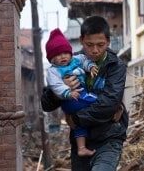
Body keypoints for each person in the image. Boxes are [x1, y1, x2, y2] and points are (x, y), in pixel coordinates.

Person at [41, 16, 128, 171]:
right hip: (81, 141)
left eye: (100, 45)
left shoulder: (116, 66)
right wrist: (59, 90)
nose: (95, 50)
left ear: (108, 42)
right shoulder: (67, 61)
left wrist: (76, 118)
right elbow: (46, 104)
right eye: (89, 45)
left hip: (109, 136)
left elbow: (108, 103)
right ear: (81, 40)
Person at [45, 28, 99, 157]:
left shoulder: (77, 59)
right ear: (52, 59)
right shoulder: (54, 71)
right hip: (71, 99)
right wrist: (67, 92)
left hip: (78, 97)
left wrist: (91, 66)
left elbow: (85, 61)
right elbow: (56, 86)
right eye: (57, 55)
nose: (62, 56)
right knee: (97, 101)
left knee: (79, 125)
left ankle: (81, 148)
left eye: (65, 53)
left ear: (70, 53)